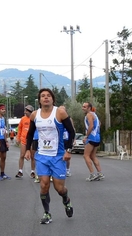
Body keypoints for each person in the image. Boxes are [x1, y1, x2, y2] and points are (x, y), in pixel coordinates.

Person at [25, 88, 75, 224]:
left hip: (58, 156)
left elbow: (71, 132)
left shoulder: (59, 112)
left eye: (48, 96)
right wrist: (28, 150)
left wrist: (68, 150)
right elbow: (30, 134)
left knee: (59, 188)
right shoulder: (35, 115)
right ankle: (47, 213)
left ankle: (66, 199)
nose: (46, 98)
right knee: (44, 185)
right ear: (39, 100)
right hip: (42, 155)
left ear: (53, 99)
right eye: (43, 96)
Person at [82, 102, 104, 181]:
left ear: (89, 108)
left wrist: (86, 136)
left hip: (91, 138)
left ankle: (92, 174)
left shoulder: (89, 115)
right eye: (83, 106)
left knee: (86, 155)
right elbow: (99, 124)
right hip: (97, 138)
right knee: (93, 156)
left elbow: (91, 126)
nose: (83, 108)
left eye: (84, 107)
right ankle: (100, 173)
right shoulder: (95, 115)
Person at [15, 105, 35, 179]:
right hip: (24, 140)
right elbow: (19, 129)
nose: (25, 112)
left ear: (30, 112)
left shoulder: (34, 119)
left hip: (32, 140)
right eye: (25, 110)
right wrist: (18, 138)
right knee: (22, 155)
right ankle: (20, 171)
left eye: (27, 110)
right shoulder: (23, 119)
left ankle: (32, 171)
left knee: (33, 156)